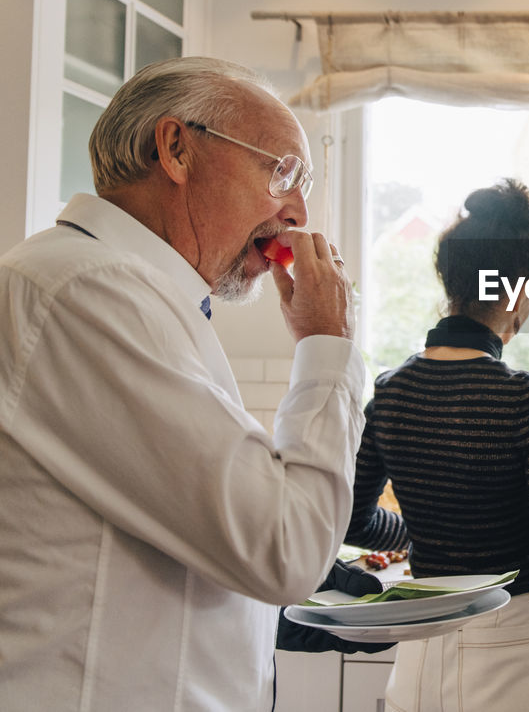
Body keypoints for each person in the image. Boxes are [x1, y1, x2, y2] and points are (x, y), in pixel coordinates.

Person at [0, 57, 376, 710]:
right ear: (176, 148)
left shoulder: (140, 295)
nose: (298, 209)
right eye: (281, 170)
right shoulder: (87, 290)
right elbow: (284, 546)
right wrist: (327, 344)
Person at [345, 179, 529, 712]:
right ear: (517, 292)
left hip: (425, 632)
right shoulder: (527, 397)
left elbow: (351, 519)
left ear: (450, 282)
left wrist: (430, 536)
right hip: (514, 636)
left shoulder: (390, 391)